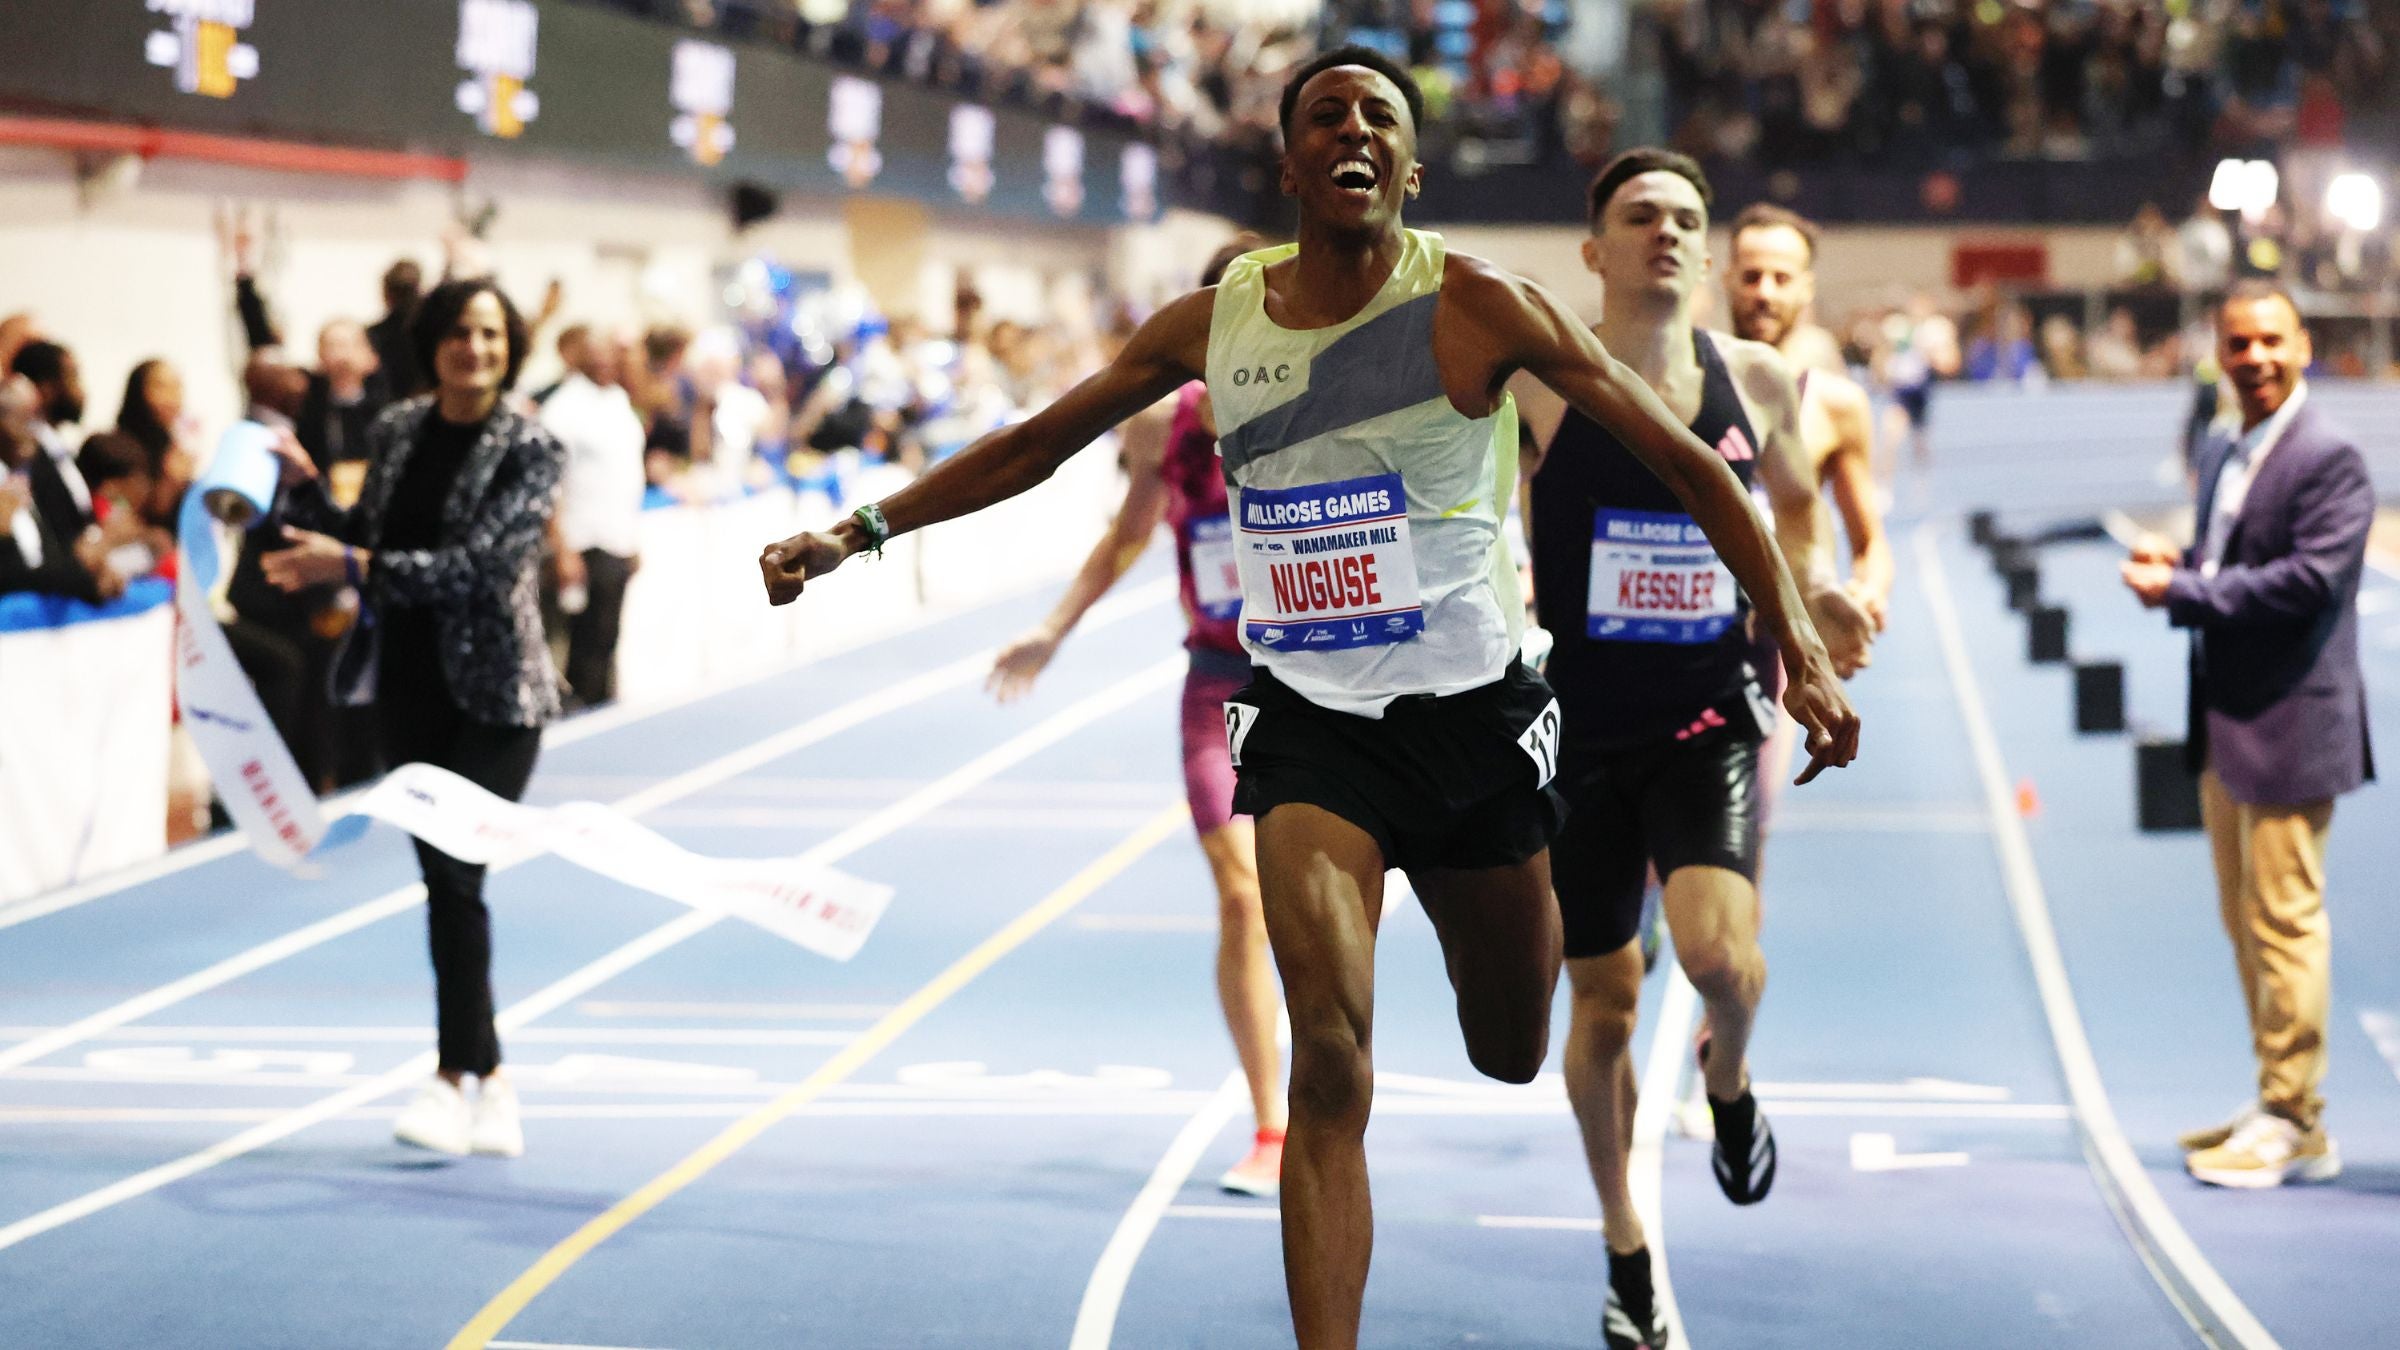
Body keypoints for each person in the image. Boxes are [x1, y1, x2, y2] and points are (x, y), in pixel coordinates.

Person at [757, 48, 1859, 1349]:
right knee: (1331, 1064)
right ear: (1287, 163)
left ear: (1409, 164)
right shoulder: (1214, 320)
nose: (1352, 132)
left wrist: (1797, 633)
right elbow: (1033, 441)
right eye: (1324, 115)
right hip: (1310, 731)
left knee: (1512, 1040)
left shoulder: (1478, 305)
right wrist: (859, 529)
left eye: (1378, 118)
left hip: (1478, 728)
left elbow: (1687, 460)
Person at [1516, 150, 1871, 1350]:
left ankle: (1727, 1082)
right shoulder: (1544, 383)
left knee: (1723, 960)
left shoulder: (1760, 380)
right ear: (1594, 249)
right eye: (1639, 216)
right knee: (1605, 1002)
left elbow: (1798, 517)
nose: (1665, 233)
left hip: (1709, 716)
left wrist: (1820, 602)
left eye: (1685, 218)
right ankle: (1625, 1246)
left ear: (1707, 250)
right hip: (1579, 734)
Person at [985, 236, 1290, 1197]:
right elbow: (1125, 537)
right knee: (1242, 898)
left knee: (1317, 910)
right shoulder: (1171, 424)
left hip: (1321, 691)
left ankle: (1328, 1101)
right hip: (1216, 689)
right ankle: (1273, 1125)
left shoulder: (1329, 413)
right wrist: (1052, 630)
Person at [263, 278, 566, 1160]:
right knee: (442, 880)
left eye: (491, 332)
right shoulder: (396, 430)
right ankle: (482, 1079)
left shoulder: (531, 447)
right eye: (459, 333)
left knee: (461, 871)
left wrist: (350, 563)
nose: (475, 347)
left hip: (498, 695)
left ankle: (460, 1078)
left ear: (509, 345)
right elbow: (370, 533)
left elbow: (476, 566)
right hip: (407, 682)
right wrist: (312, 496)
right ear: (432, 344)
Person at [2120, 280, 2375, 1189]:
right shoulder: (2226, 443)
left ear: (2303, 345)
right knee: (2246, 922)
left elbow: (2309, 583)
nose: (2255, 358)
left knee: (2285, 924)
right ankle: (2275, 1094)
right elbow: (2236, 565)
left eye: (2271, 340)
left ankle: (2298, 1120)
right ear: (2218, 353)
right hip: (2226, 720)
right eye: (2238, 344)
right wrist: (2182, 566)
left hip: (2293, 722)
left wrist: (2184, 593)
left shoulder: (2330, 457)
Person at [538, 324, 647, 708]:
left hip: (616, 536)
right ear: (576, 357)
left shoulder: (618, 400)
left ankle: (600, 711)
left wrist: (632, 539)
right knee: (580, 644)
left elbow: (626, 476)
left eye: (609, 353)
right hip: (582, 541)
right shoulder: (563, 409)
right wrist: (561, 548)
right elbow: (549, 485)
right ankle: (577, 717)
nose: (604, 361)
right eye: (594, 353)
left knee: (607, 639)